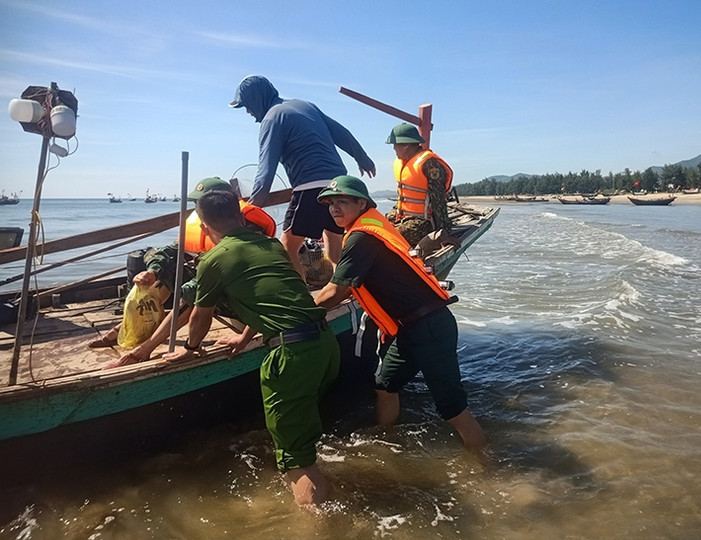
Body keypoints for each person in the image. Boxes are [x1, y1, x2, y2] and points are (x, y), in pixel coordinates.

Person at [163, 189, 340, 506]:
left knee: (296, 459)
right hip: (325, 343)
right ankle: (315, 482)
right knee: (300, 435)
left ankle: (316, 520)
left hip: (292, 355)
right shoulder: (271, 244)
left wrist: (189, 348)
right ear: (241, 215)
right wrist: (244, 338)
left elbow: (200, 318)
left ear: (204, 225)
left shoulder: (214, 260)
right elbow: (272, 297)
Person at [313, 175, 485, 453]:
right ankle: (385, 436)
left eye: (342, 201)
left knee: (453, 408)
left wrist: (299, 313)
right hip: (409, 328)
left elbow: (337, 291)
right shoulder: (367, 227)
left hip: (429, 326)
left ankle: (486, 463)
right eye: (330, 204)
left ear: (361, 203)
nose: (334, 208)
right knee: (385, 385)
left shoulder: (361, 237)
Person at [93, 177, 277, 369]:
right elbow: (167, 252)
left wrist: (191, 346)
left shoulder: (249, 232)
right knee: (167, 269)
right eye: (196, 203)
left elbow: (218, 279)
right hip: (213, 284)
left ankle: (143, 350)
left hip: (241, 304)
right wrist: (153, 272)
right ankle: (127, 329)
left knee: (194, 293)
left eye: (200, 203)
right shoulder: (203, 225)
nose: (197, 208)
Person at [229, 75, 376, 275]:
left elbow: (265, 171)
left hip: (310, 189)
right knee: (335, 252)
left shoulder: (272, 119)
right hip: (338, 186)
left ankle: (304, 303)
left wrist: (250, 210)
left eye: (247, 105)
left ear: (256, 99)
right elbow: (341, 133)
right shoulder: (305, 105)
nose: (248, 111)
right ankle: (354, 292)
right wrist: (363, 158)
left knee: (287, 251)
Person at [385, 123, 454, 247]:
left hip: (423, 222)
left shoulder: (429, 164)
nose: (394, 148)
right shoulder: (401, 162)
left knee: (389, 236)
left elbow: (438, 201)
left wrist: (444, 233)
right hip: (402, 216)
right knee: (376, 226)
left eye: (395, 145)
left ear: (405, 145)